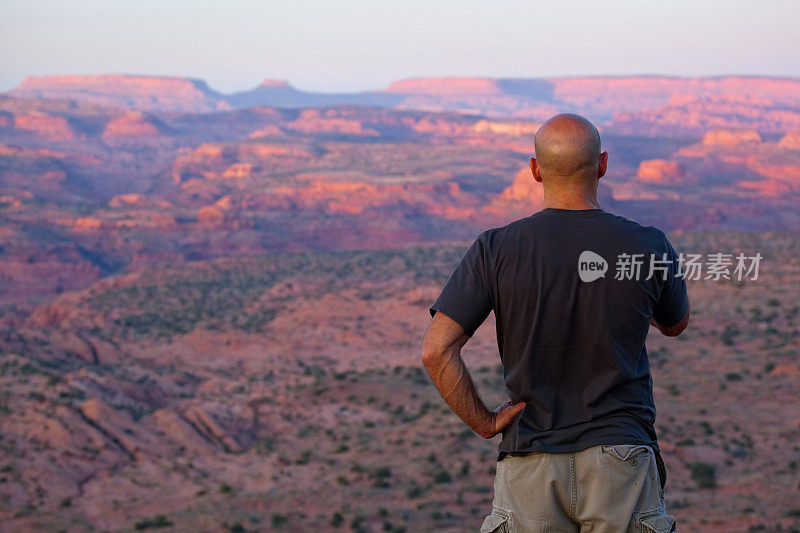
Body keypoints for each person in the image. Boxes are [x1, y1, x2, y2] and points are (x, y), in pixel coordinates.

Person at [421, 114, 689, 532]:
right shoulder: (649, 245)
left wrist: (485, 422)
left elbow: (436, 350)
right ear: (602, 164)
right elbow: (674, 324)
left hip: (530, 459)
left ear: (535, 170)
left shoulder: (495, 248)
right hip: (621, 458)